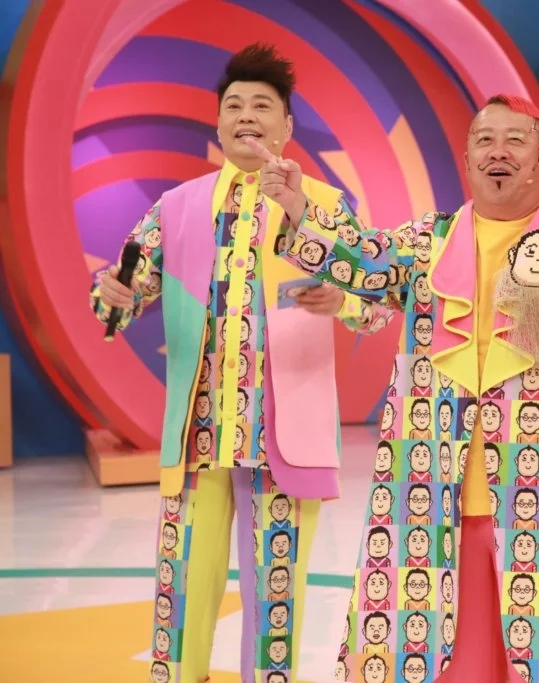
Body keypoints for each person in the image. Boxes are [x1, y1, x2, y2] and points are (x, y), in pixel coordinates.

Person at [248, 93, 539, 682]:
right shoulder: (428, 242)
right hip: (432, 487)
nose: (498, 152)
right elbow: (361, 260)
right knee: (440, 653)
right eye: (485, 140)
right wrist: (296, 205)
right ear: (466, 160)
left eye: (515, 140)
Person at [91, 44, 392, 683]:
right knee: (180, 597)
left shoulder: (324, 205)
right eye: (234, 106)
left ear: (286, 126)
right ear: (219, 122)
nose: (246, 116)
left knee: (276, 603)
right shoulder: (175, 207)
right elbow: (122, 293)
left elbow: (376, 304)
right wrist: (111, 295)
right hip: (196, 435)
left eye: (262, 105)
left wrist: (342, 300)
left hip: (285, 436)